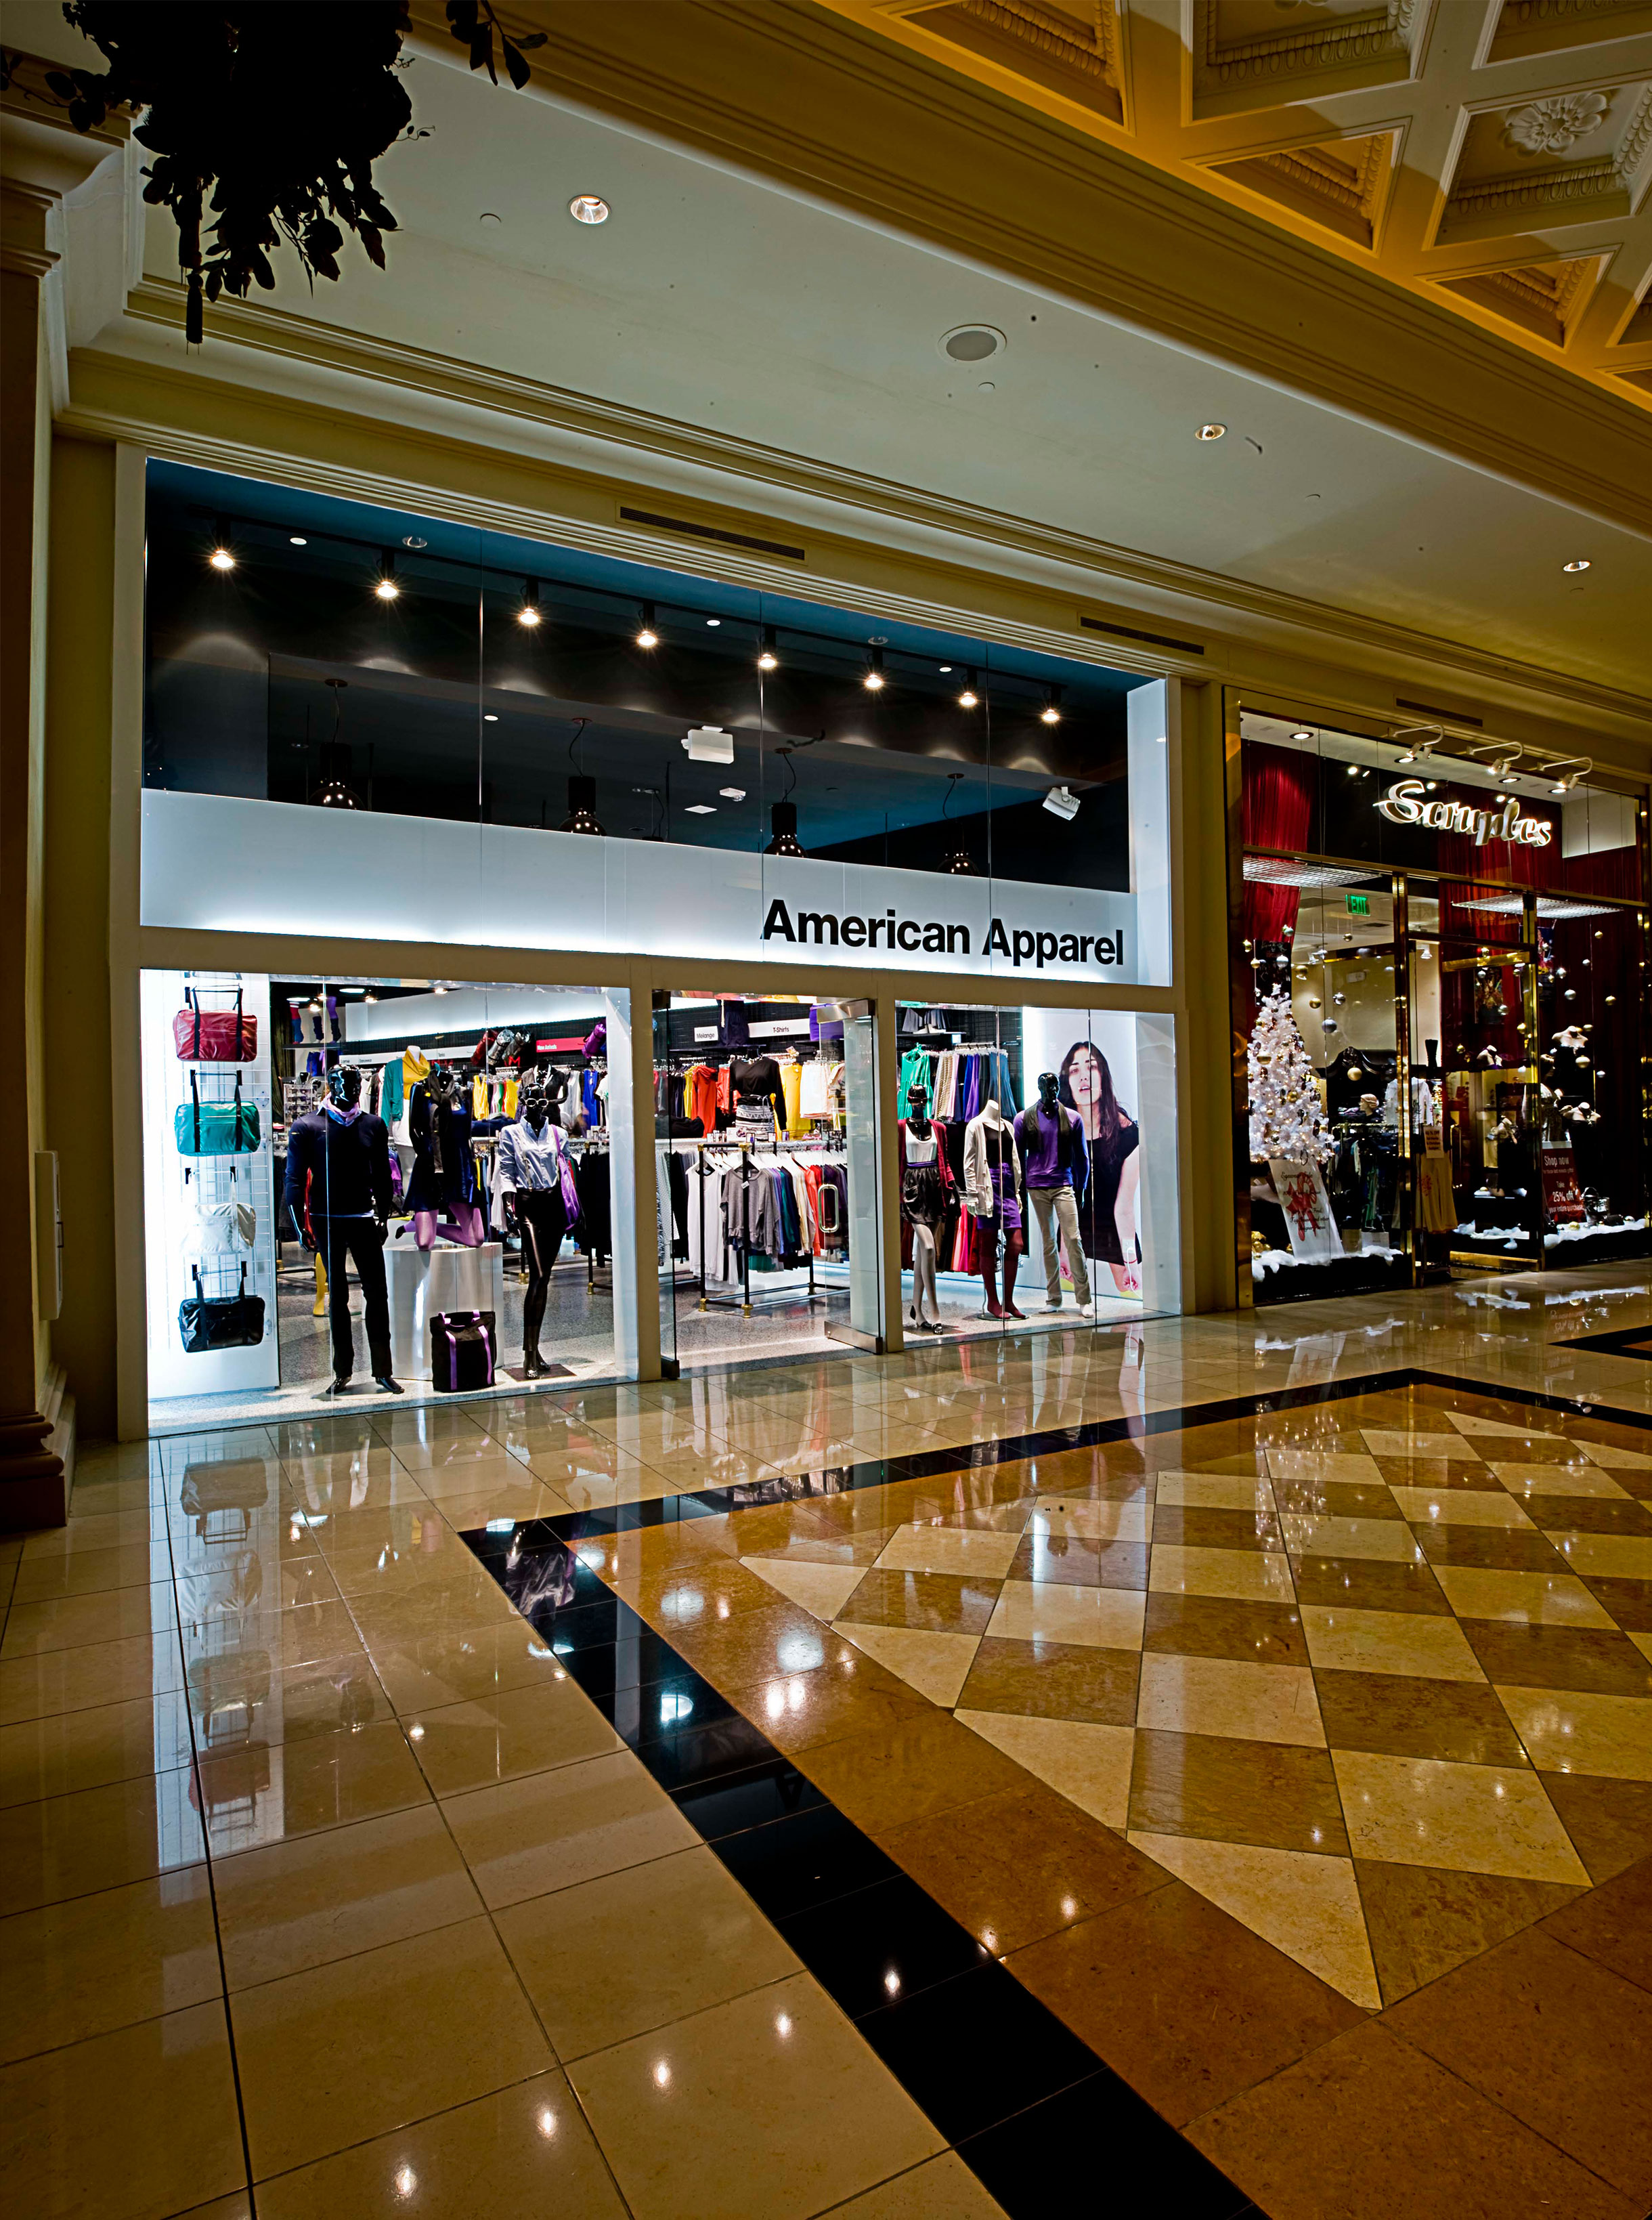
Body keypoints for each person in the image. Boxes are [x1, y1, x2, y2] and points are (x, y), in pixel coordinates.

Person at [1059, 1040, 1141, 1296]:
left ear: (1103, 1076)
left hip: (1114, 1236)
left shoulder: (1128, 1135)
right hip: (1073, 1236)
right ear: (1067, 1081)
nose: (1083, 1077)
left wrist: (1130, 1260)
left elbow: (1124, 1208)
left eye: (1091, 1067)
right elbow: (1064, 1199)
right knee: (1072, 1311)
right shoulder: (1062, 1133)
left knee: (1128, 1300)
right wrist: (1063, 1248)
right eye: (1075, 1070)